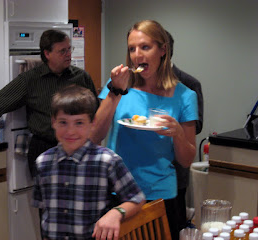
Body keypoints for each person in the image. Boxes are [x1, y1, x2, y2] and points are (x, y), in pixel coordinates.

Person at [91, 20, 198, 240]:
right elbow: (94, 136)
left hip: (160, 195)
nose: (137, 55)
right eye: (132, 49)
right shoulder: (119, 86)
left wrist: (177, 133)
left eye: (145, 47)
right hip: (117, 191)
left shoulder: (186, 96)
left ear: (163, 50)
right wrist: (115, 91)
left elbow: (187, 159)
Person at [0, 29, 98, 177]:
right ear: (47, 54)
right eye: (62, 51)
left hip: (79, 147)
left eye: (69, 49)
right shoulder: (30, 80)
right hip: (44, 148)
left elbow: (95, 110)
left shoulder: (81, 77)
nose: (68, 54)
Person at [32, 85, 146, 240]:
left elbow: (137, 199)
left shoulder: (107, 161)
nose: (70, 131)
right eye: (63, 122)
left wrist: (116, 213)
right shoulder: (42, 162)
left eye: (79, 123)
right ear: (53, 122)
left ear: (92, 123)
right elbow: (43, 209)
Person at [166, 30, 204, 231]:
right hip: (141, 174)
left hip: (174, 168)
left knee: (174, 225)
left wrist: (174, 126)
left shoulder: (189, 84)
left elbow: (197, 125)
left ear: (165, 52)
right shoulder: (137, 84)